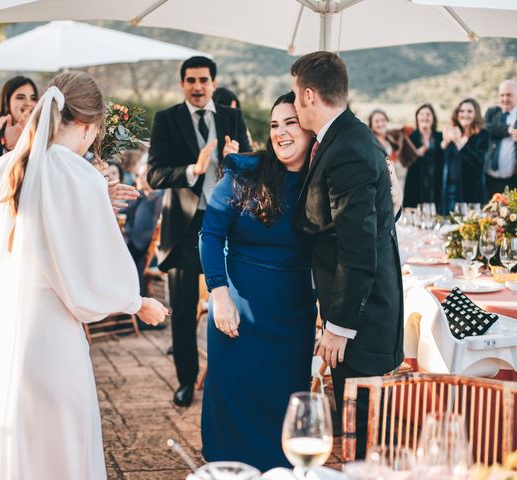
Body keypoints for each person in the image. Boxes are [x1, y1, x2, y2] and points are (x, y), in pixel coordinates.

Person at [0, 72, 168, 480]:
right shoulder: (79, 177)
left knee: (15, 443)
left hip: (2, 329)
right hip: (52, 338)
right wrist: (138, 302)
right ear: (88, 125)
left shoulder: (3, 169)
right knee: (61, 447)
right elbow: (92, 270)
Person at [291, 51, 404, 459]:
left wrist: (338, 326)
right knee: (358, 437)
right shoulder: (344, 139)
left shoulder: (348, 148)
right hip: (360, 312)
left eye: (294, 95)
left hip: (362, 320)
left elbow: (358, 248)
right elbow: (371, 218)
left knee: (364, 443)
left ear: (307, 94)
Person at [199, 92, 316, 471]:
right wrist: (219, 293)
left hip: (292, 315)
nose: (281, 133)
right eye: (274, 124)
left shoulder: (323, 182)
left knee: (282, 407)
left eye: (291, 123)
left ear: (311, 128)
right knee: (233, 404)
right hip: (237, 309)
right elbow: (211, 234)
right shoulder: (245, 170)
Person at [147, 56, 251, 407]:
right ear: (182, 84)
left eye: (203, 80)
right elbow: (154, 175)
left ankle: (227, 378)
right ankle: (186, 380)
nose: (197, 86)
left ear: (213, 83)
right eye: (190, 80)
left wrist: (234, 160)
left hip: (225, 227)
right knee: (183, 307)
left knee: (232, 304)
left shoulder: (232, 117)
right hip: (183, 229)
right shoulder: (166, 119)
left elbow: (251, 169)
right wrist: (193, 169)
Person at [440, 98, 489, 214]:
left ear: (476, 114)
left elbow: (478, 161)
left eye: (469, 111)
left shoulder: (483, 135)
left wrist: (459, 142)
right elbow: (443, 161)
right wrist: (445, 143)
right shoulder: (453, 132)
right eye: (461, 111)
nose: (465, 114)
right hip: (450, 190)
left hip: (472, 190)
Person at [123, 162, 164, 297]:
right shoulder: (145, 197)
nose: (138, 179)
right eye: (138, 176)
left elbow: (140, 231)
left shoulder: (153, 199)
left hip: (137, 249)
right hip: (137, 248)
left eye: (142, 176)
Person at [485, 80, 517, 197]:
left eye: (509, 95)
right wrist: (507, 129)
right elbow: (485, 129)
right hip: (489, 180)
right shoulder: (492, 112)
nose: (505, 99)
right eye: (502, 95)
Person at [0, 75, 39, 155]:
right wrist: (9, 148)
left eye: (33, 98)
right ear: (7, 102)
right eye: (20, 97)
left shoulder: (44, 132)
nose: (28, 103)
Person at [403, 103, 443, 208]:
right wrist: (416, 153)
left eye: (428, 114)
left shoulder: (440, 137)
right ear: (417, 118)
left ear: (433, 118)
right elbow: (405, 162)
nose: (425, 117)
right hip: (415, 183)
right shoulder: (410, 137)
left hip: (435, 182)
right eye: (421, 114)